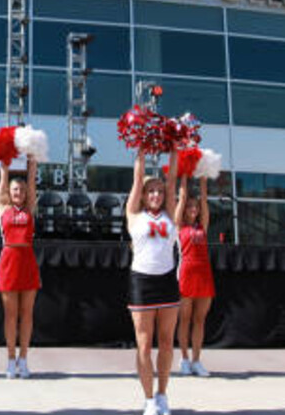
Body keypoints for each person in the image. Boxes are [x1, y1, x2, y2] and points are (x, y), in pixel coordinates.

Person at [126, 150, 180, 415]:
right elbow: (137, 178)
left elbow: (172, 182)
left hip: (168, 282)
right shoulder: (134, 215)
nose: (156, 195)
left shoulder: (171, 215)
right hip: (142, 283)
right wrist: (141, 151)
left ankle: (162, 395)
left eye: (159, 191)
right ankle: (148, 400)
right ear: (144, 195)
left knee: (167, 342)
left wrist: (176, 150)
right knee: (144, 345)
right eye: (151, 191)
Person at [0, 156, 40, 379]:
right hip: (9, 263)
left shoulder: (30, 207)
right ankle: (10, 360)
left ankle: (24, 359)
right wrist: (4, 165)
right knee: (10, 315)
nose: (18, 193)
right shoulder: (3, 208)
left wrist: (32, 162)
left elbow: (31, 183)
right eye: (14, 189)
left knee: (27, 314)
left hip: (27, 262)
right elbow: (3, 181)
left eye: (21, 190)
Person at [175, 176, 213, 378]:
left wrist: (203, 179)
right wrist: (183, 175)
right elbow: (181, 198)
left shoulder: (202, 227)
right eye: (189, 206)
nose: (193, 209)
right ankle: (184, 359)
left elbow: (205, 201)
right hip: (186, 274)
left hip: (204, 274)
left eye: (195, 207)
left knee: (200, 320)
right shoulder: (179, 227)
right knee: (185, 319)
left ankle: (197, 360)